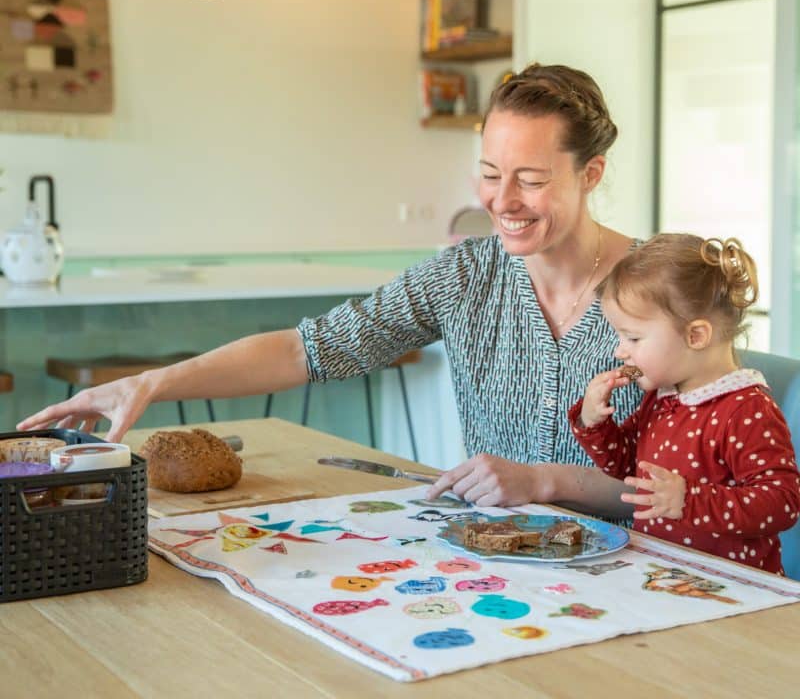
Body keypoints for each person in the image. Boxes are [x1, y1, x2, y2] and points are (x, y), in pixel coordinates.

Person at [18, 63, 642, 514]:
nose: (501, 201)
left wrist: (543, 481)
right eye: (488, 174)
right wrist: (152, 383)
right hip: (505, 558)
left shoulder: (663, 287)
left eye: (530, 179)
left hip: (649, 570)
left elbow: (690, 489)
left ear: (591, 174)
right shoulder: (464, 276)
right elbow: (306, 349)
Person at [569, 233, 800, 574]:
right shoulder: (664, 398)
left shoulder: (747, 409)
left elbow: (782, 503)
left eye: (633, 337)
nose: (620, 351)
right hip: (664, 576)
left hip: (732, 588)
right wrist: (594, 423)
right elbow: (626, 466)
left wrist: (689, 500)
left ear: (696, 336)